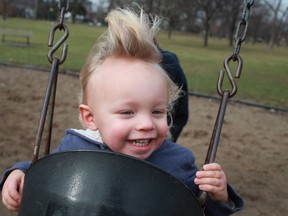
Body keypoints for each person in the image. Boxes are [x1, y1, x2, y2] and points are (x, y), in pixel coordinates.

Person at [1, 8, 244, 215]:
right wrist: (20, 173)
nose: (146, 124)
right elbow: (47, 173)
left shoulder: (179, 161)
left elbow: (198, 208)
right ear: (91, 118)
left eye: (158, 112)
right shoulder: (75, 146)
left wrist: (219, 196)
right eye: (128, 112)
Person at [159, 48, 189, 142]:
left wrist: (170, 136)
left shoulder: (169, 62)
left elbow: (181, 111)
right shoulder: (114, 61)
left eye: (156, 112)